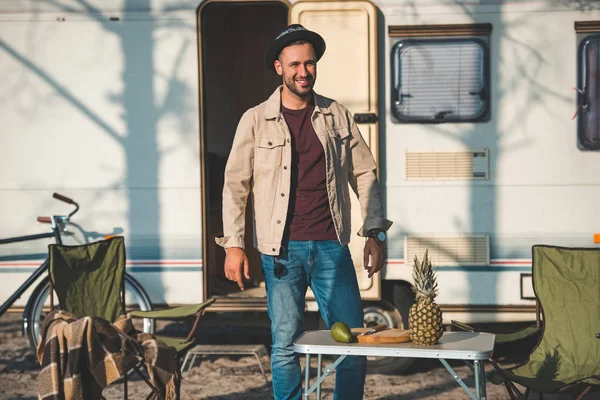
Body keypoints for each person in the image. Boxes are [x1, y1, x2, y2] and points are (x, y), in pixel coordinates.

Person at [216, 24, 392, 400]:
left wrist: (374, 232)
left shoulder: (336, 115)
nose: (303, 71)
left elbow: (365, 173)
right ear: (278, 67)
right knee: (285, 345)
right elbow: (235, 185)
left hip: (331, 247)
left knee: (352, 344)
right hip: (280, 251)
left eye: (309, 63)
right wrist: (233, 245)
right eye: (294, 64)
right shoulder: (255, 119)